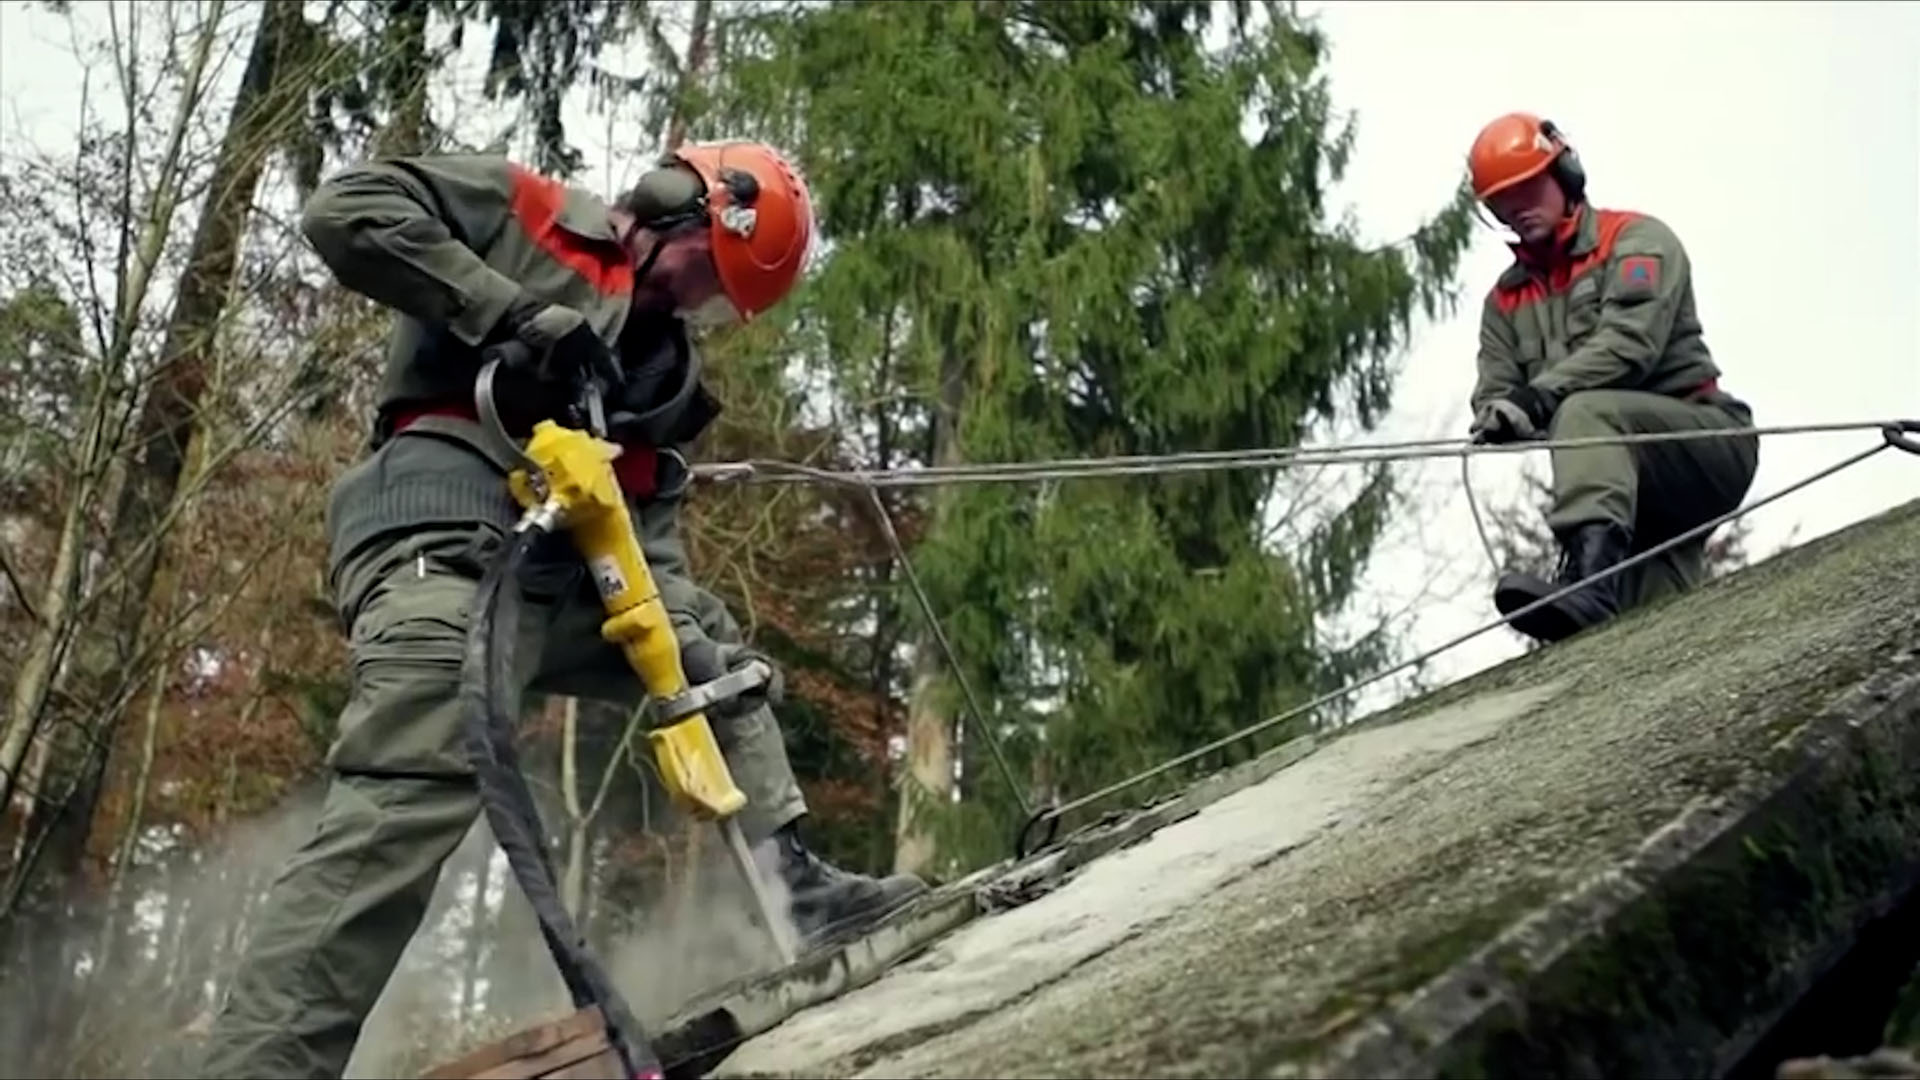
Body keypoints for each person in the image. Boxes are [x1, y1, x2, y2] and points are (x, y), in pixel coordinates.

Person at [200, 142, 927, 1078]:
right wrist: (515, 314)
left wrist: (686, 642)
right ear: (675, 206)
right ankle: (260, 1067)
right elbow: (346, 212)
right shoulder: (532, 217)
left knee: (711, 657)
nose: (689, 306)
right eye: (701, 274)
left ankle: (796, 891)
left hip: (571, 577)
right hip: (447, 536)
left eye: (714, 303)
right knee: (420, 769)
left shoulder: (658, 379)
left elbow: (649, 547)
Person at [1463, 112, 1760, 644]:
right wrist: (1501, 414)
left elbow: (1630, 346)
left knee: (1584, 409)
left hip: (1703, 442)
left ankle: (1589, 579)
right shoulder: (1505, 302)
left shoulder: (1637, 241)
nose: (1517, 209)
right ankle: (1604, 600)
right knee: (1648, 635)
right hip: (1630, 499)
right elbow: (1497, 389)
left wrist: (1537, 401)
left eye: (1528, 188)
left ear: (1566, 175)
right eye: (1501, 203)